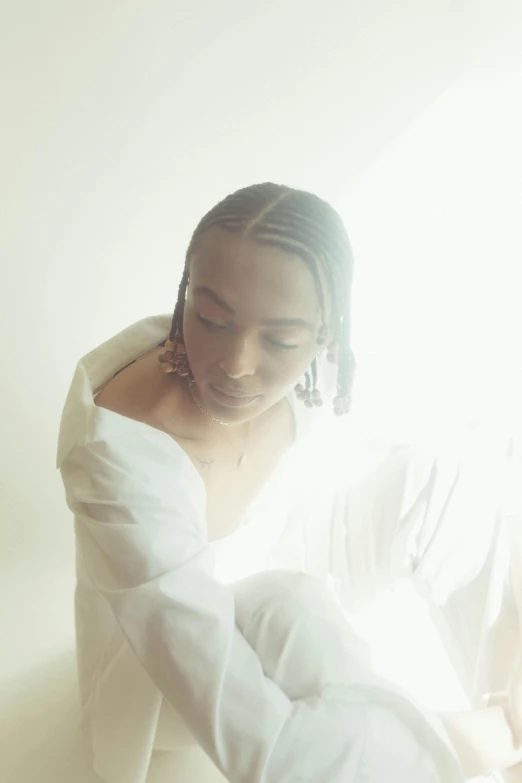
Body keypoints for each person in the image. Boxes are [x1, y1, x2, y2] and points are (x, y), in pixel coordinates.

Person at [56, 182, 522, 783]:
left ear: (325, 332)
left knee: (443, 477)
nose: (239, 364)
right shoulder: (117, 460)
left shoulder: (321, 363)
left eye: (280, 340)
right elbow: (261, 745)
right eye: (211, 319)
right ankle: (472, 746)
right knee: (289, 605)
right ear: (184, 297)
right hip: (162, 666)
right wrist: (467, 741)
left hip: (279, 556)